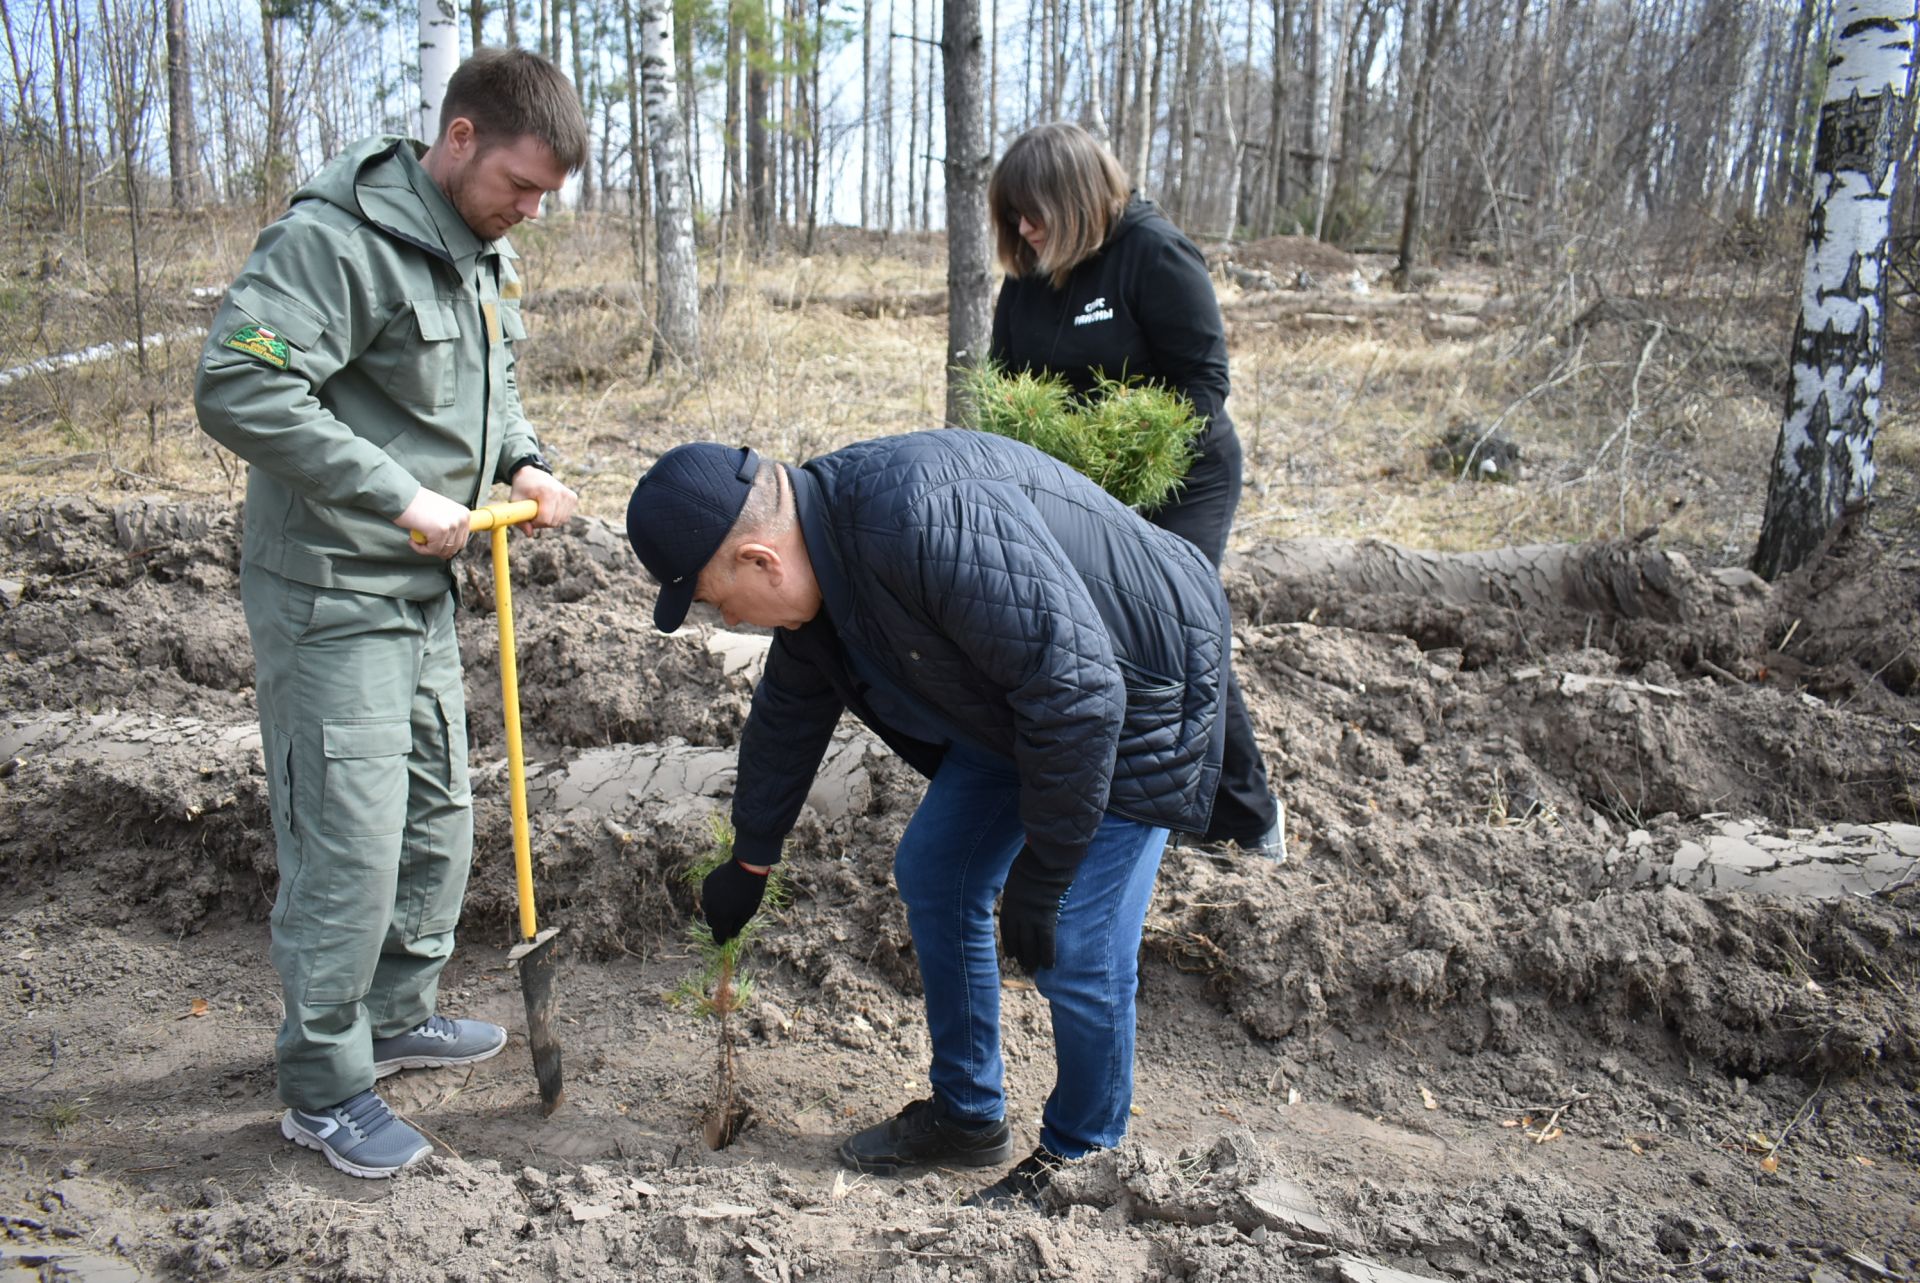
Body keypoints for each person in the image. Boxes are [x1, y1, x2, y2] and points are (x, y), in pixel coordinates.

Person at [624, 429, 1232, 1207]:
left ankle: (1086, 1158)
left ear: (760, 561)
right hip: (1029, 700)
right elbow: (789, 712)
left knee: (1079, 937)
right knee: (937, 868)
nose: (726, 616)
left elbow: (1079, 692)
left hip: (1143, 686)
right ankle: (968, 1115)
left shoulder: (913, 521)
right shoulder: (827, 560)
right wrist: (751, 856)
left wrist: (1047, 869)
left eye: (714, 600)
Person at [194, 48, 587, 1179]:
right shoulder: (336, 238)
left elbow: (489, 382)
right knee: (350, 841)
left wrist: (524, 459)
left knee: (434, 816)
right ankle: (323, 1086)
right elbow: (239, 382)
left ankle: (396, 1012)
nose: (526, 213)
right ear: (458, 136)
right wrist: (397, 491)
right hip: (331, 585)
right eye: (519, 185)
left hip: (422, 582)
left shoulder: (475, 250)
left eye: (542, 200)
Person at [987, 122, 1284, 861]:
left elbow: (1204, 385)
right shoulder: (1026, 273)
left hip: (1181, 474)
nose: (1024, 230)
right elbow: (1005, 387)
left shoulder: (1153, 253)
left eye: (1036, 212)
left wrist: (1127, 453)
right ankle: (1131, 792)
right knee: (1091, 637)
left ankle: (1247, 814)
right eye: (1013, 215)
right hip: (1080, 488)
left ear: (1079, 198)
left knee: (1178, 631)